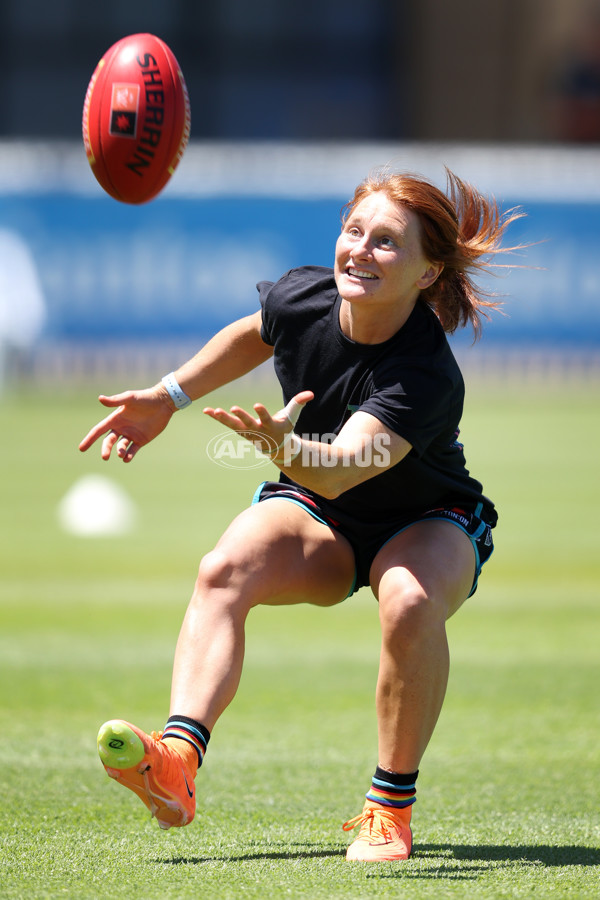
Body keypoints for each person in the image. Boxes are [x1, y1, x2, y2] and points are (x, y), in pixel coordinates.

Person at [79, 167, 522, 861]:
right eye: (354, 231)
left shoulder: (424, 373)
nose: (359, 251)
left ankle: (389, 810)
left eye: (386, 243)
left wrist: (286, 446)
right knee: (224, 569)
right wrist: (168, 396)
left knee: (406, 602)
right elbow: (255, 334)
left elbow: (341, 471)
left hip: (428, 518)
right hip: (324, 514)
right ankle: (174, 764)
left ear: (428, 272)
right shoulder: (305, 293)